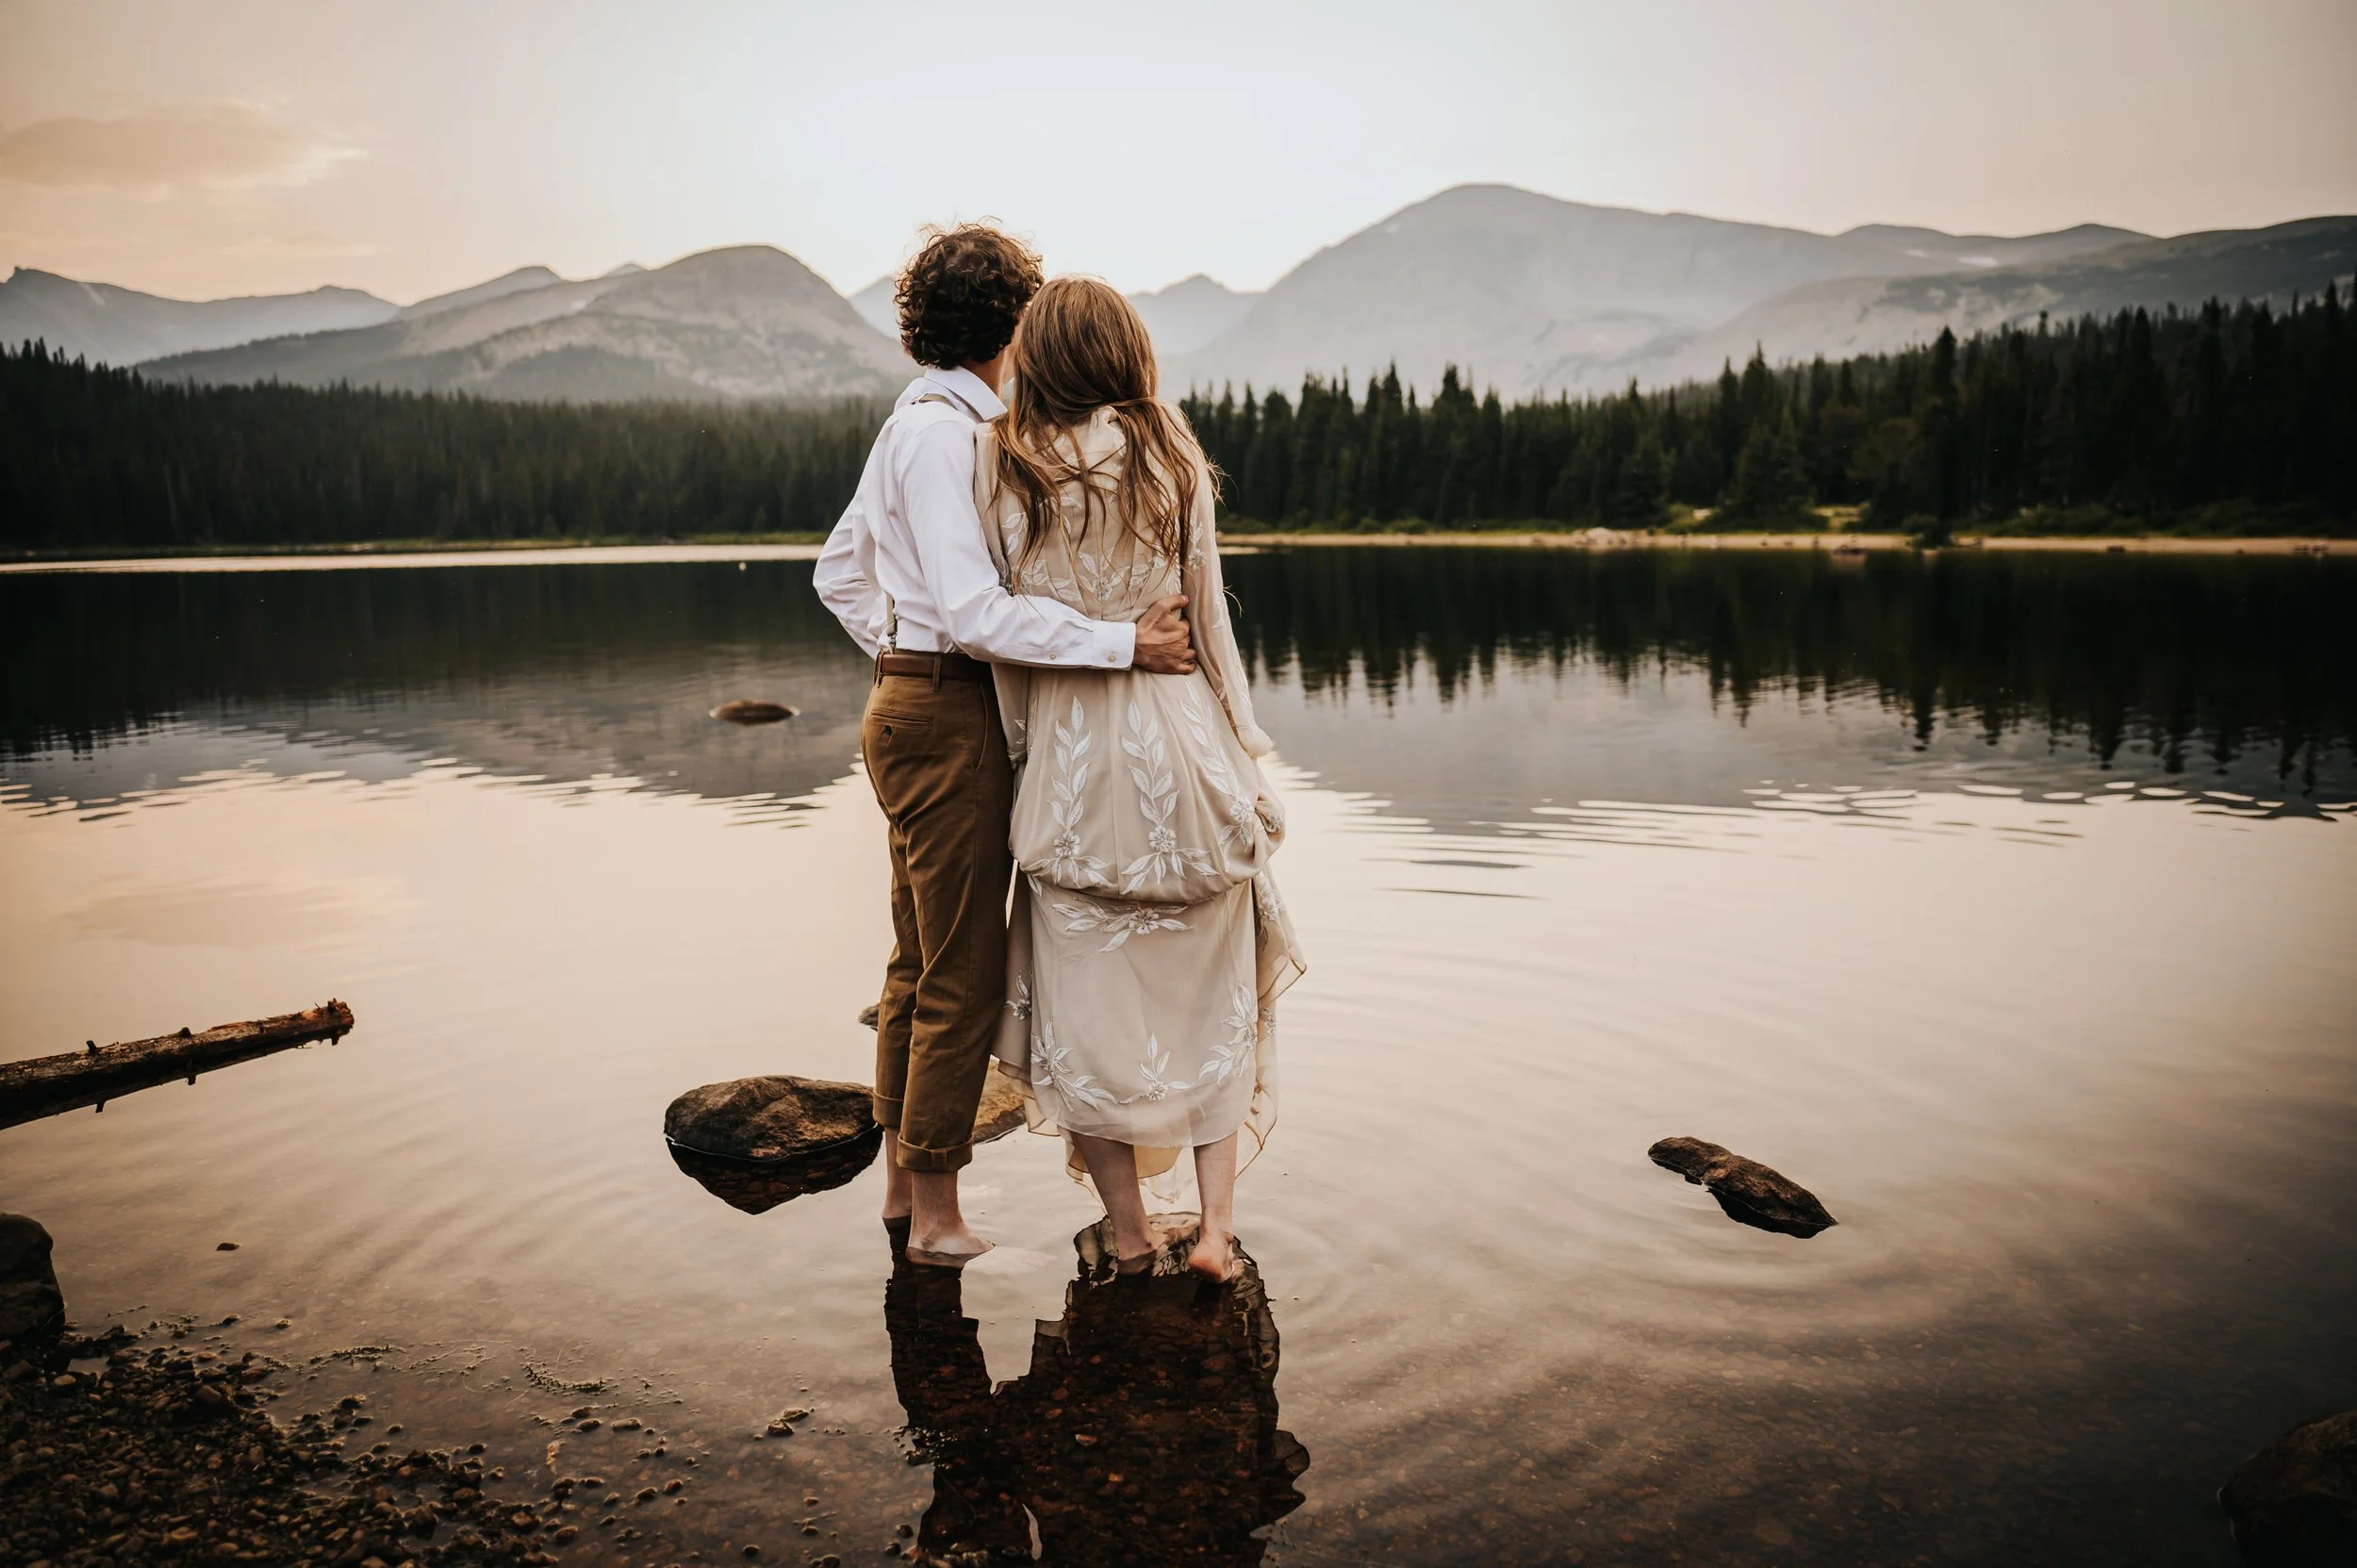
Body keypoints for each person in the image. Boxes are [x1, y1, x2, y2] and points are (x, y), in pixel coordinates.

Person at [814, 226, 1199, 1269]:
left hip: (907, 705)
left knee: (915, 959)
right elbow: (978, 613)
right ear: (1017, 324)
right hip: (945, 716)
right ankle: (936, 1215)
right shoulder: (950, 437)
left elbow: (837, 576)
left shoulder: (913, 420)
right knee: (961, 973)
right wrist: (1121, 643)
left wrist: (899, 657)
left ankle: (902, 1186)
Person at [977, 277, 1304, 1283]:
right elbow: (1209, 621)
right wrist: (1245, 750)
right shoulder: (1170, 454)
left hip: (1075, 763)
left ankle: (1126, 1235)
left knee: (1086, 1010)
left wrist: (1027, 758)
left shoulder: (1008, 466)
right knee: (1214, 999)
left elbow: (1006, 648)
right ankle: (1212, 1233)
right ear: (1125, 351)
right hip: (1183, 749)